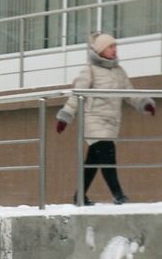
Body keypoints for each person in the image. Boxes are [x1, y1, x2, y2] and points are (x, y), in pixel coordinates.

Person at [56, 32, 156, 205]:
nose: (114, 49)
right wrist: (65, 116)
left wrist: (144, 103)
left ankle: (79, 196)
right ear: (101, 50)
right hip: (94, 120)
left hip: (112, 122)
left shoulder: (119, 72)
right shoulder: (90, 70)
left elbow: (129, 93)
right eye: (111, 46)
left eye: (115, 46)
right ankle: (118, 195)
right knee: (108, 155)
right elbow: (77, 95)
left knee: (93, 162)